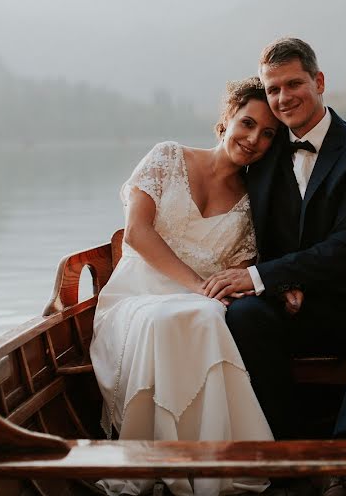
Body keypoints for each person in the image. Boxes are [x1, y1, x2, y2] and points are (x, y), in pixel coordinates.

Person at [204, 38, 346, 453]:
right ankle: (291, 447)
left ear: (319, 81)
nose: (283, 98)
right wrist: (280, 284)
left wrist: (261, 276)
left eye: (293, 84)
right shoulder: (263, 152)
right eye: (273, 89)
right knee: (245, 316)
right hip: (293, 305)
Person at [90, 78, 280, 496]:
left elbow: (242, 268)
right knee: (184, 313)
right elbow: (137, 233)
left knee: (210, 313)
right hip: (136, 297)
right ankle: (155, 462)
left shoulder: (253, 203)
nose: (253, 139)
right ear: (225, 120)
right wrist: (197, 285)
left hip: (199, 305)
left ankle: (212, 468)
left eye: (268, 134)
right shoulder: (167, 157)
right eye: (247, 123)